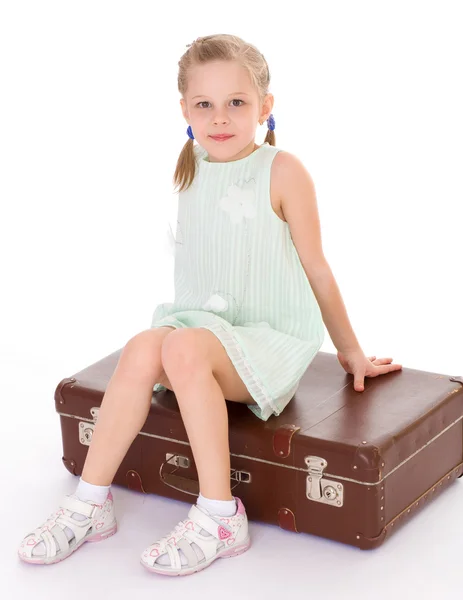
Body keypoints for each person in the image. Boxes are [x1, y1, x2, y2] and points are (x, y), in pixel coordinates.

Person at [18, 33, 402, 575]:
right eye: (205, 104)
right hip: (202, 331)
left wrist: (351, 352)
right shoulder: (191, 167)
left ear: (265, 107)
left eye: (236, 103)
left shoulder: (283, 171)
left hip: (268, 341)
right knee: (144, 347)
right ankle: (89, 502)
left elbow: (317, 266)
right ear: (185, 110)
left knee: (185, 350)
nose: (220, 118)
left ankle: (221, 515)